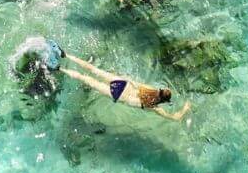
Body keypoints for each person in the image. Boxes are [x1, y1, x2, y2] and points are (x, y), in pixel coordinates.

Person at [50, 46, 191, 122]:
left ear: (160, 91)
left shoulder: (151, 89)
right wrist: (185, 108)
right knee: (86, 79)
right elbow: (175, 118)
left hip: (123, 84)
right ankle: (58, 68)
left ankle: (64, 54)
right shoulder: (154, 107)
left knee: (93, 69)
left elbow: (135, 83)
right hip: (118, 95)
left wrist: (122, 77)